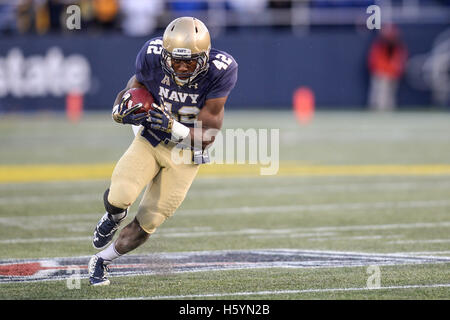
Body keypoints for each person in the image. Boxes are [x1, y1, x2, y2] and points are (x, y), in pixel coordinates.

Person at [88, 17, 238, 286]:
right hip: (151, 138)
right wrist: (120, 108)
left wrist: (174, 127)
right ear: (165, 55)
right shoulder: (151, 55)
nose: (181, 67)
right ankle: (113, 216)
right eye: (176, 60)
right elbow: (134, 88)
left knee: (148, 222)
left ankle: (102, 260)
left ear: (204, 59)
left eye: (190, 61)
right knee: (119, 196)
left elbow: (207, 137)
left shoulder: (220, 70)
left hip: (187, 151)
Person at [367, 25, 408, 111]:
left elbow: (400, 61)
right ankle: (377, 110)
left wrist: (395, 71)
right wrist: (380, 70)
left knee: (390, 94)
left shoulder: (398, 47)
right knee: (379, 93)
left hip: (392, 74)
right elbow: (374, 60)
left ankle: (388, 111)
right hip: (381, 73)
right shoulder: (379, 46)